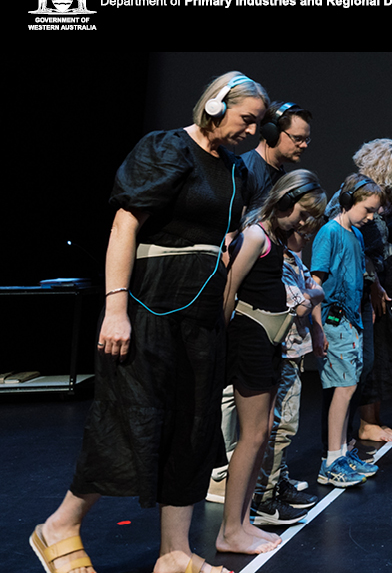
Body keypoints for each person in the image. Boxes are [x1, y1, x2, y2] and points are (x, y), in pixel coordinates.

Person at [30, 72, 267, 573]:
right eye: (247, 119)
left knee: (194, 425)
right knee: (131, 420)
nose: (252, 131)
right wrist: (116, 309)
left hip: (199, 316)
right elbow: (124, 224)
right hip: (149, 305)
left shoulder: (237, 170)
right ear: (217, 105)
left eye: (258, 123)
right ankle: (59, 526)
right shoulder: (166, 149)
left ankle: (175, 553)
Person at [210, 101, 314, 505]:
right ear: (273, 134)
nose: (304, 144)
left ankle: (266, 477)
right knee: (233, 397)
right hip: (245, 309)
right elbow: (235, 239)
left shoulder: (280, 176)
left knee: (268, 414)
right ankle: (222, 475)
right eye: (298, 137)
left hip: (268, 303)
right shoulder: (249, 171)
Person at [218, 170, 326, 551]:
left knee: (261, 435)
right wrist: (221, 347)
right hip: (249, 342)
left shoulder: (274, 240)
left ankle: (242, 523)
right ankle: (230, 530)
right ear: (283, 201)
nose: (304, 223)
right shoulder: (255, 237)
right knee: (251, 437)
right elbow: (228, 292)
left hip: (268, 342)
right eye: (302, 213)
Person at [310, 174, 385, 488]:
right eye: (367, 209)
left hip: (352, 322)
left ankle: (341, 451)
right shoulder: (329, 233)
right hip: (335, 321)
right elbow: (315, 284)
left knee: (350, 388)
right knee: (342, 391)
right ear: (348, 201)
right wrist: (317, 329)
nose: (371, 217)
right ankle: (331, 461)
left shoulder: (355, 233)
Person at [251, 224, 325, 523]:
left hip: (296, 351)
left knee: (286, 425)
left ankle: (276, 483)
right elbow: (302, 305)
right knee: (278, 427)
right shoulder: (278, 263)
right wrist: (311, 294)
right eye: (302, 230)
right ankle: (264, 498)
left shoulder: (295, 260)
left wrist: (311, 293)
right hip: (281, 351)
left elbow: (315, 290)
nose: (307, 236)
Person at [350, 138, 392, 445]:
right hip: (377, 281)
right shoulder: (357, 197)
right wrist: (373, 282)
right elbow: (359, 246)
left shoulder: (384, 200)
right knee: (373, 351)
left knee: (387, 348)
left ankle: (374, 419)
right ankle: (366, 422)